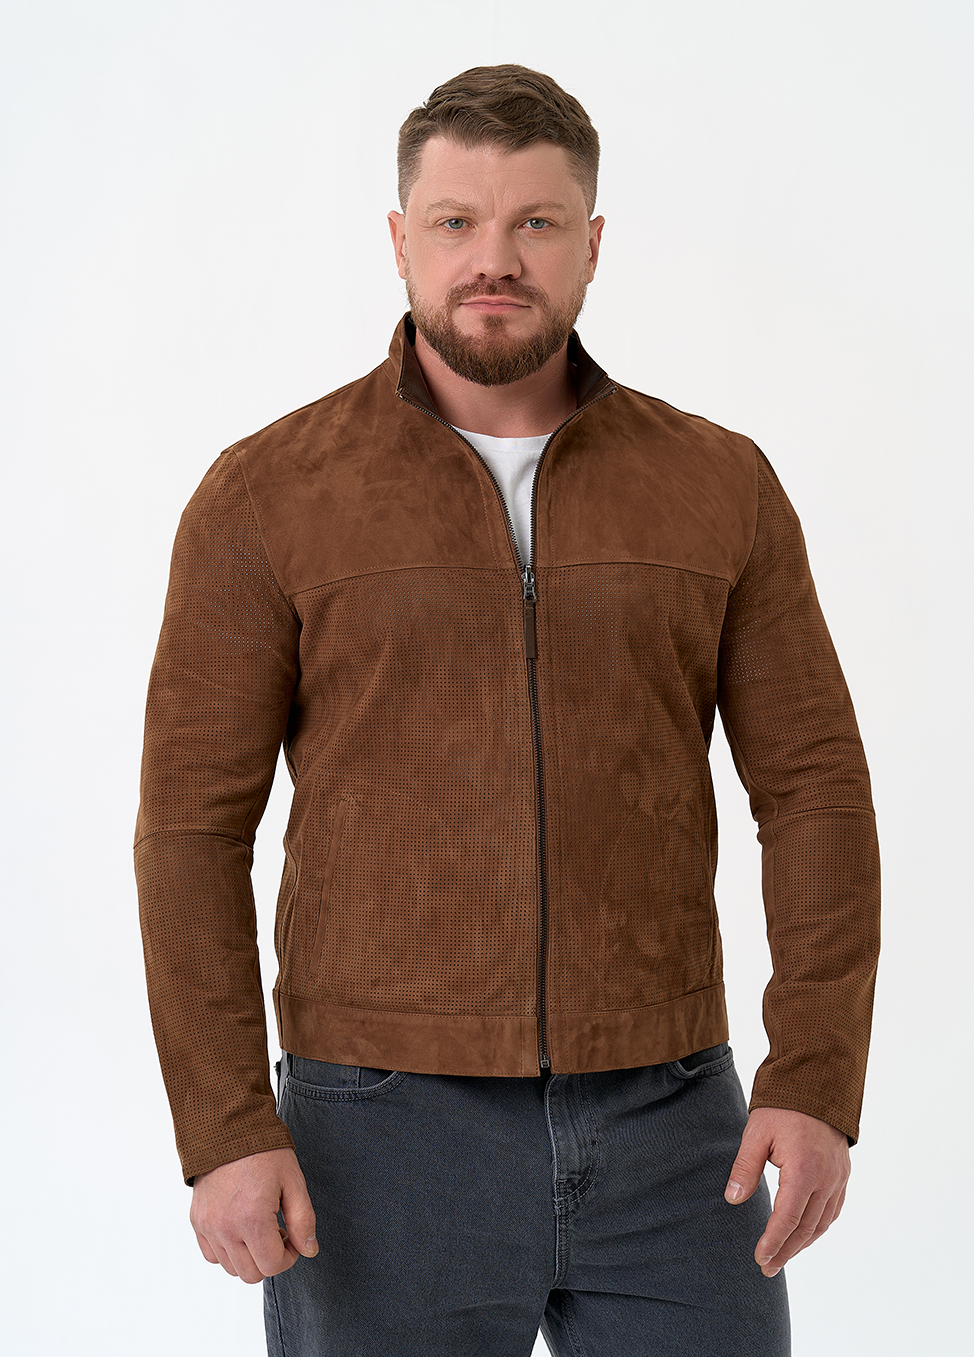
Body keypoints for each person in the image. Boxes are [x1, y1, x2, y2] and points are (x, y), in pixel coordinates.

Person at [134, 64, 880, 1357]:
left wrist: (815, 1075)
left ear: (592, 242)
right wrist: (224, 1125)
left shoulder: (718, 485)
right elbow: (191, 829)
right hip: (375, 1131)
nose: (496, 258)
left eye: (537, 221)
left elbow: (814, 789)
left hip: (675, 1124)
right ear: (400, 239)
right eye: (457, 222)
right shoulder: (269, 494)